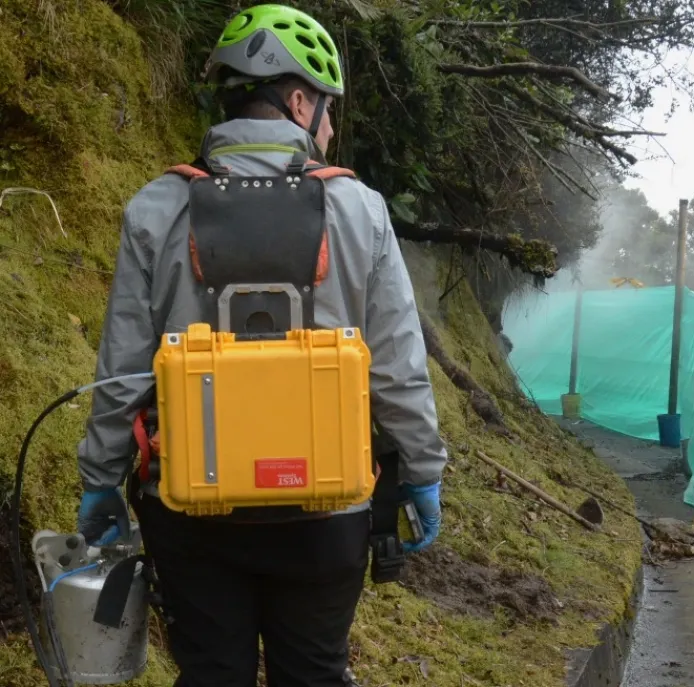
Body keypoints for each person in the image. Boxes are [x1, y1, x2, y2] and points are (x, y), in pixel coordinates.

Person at [74, 4, 448, 685]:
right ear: (299, 98)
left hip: (189, 508)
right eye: (327, 110)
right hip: (327, 510)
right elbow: (396, 364)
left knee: (212, 671)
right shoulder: (359, 209)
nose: (329, 128)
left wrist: (100, 477)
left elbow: (123, 366)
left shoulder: (157, 206)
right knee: (314, 671)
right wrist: (421, 470)